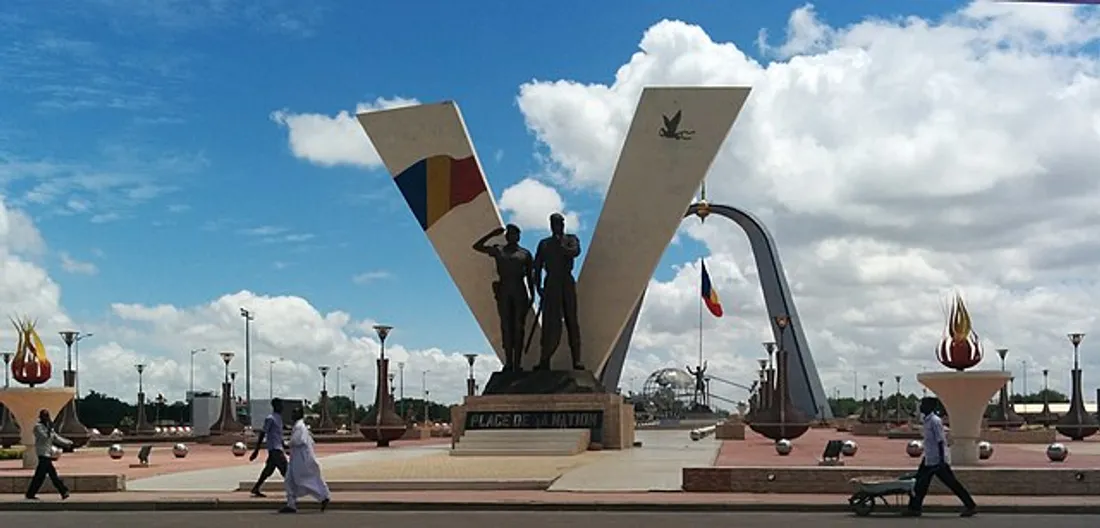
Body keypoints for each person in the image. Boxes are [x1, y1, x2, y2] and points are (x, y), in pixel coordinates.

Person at [473, 224, 535, 371]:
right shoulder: (499, 250)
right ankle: (508, 363)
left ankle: (517, 364)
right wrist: (492, 234)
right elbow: (477, 246)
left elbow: (531, 276)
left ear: (519, 236)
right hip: (504, 290)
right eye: (510, 234)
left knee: (518, 328)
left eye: (515, 234)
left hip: (520, 290)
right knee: (506, 327)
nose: (512, 236)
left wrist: (533, 294)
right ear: (506, 236)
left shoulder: (525, 254)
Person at [903, 396, 977, 517]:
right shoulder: (926, 420)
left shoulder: (935, 421)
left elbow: (940, 441)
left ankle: (971, 506)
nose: (921, 406)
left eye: (923, 404)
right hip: (929, 458)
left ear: (930, 407)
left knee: (952, 483)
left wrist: (942, 460)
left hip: (938, 460)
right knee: (919, 483)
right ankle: (914, 508)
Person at [532, 212, 583, 370]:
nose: (556, 226)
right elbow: (537, 266)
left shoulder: (570, 239)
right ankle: (545, 360)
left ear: (563, 224)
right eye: (553, 223)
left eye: (559, 223)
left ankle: (577, 360)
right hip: (551, 283)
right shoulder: (544, 243)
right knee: (549, 323)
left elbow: (575, 252)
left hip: (566, 281)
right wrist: (538, 286)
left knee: (571, 321)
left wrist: (560, 244)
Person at [280, 405, 331, 514]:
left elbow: (299, 440)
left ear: (299, 415)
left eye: (295, 413)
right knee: (290, 480)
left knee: (303, 481)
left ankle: (323, 496)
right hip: (298, 459)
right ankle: (291, 504)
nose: (292, 415)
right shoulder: (299, 426)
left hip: (301, 461)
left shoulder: (300, 427)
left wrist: (287, 443)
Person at [25, 409, 72, 500]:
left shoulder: (48, 427)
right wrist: (49, 429)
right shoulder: (38, 427)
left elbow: (56, 437)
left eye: (47, 416)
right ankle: (63, 491)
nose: (46, 418)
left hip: (48, 454)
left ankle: (30, 493)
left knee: (41, 476)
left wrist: (67, 442)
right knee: (51, 475)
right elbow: (43, 437)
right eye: (44, 416)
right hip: (42, 454)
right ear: (41, 417)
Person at [248, 397, 287, 497]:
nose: (283, 407)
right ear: (276, 406)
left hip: (278, 448)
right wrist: (256, 451)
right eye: (281, 405)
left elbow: (278, 435)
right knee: (286, 469)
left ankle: (256, 488)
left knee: (268, 470)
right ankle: (294, 490)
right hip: (274, 449)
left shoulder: (279, 418)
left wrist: (284, 446)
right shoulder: (270, 418)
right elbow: (263, 433)